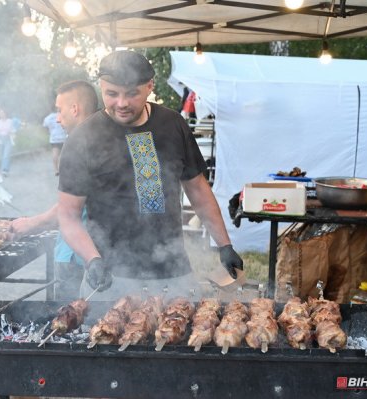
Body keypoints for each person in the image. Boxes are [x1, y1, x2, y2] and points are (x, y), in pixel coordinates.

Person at [57, 50, 243, 301]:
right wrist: (93, 260)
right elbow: (68, 216)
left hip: (173, 272)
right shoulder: (82, 138)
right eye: (112, 94)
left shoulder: (173, 125)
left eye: (132, 93)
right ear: (101, 86)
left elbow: (197, 189)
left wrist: (225, 245)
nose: (121, 103)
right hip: (110, 278)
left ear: (149, 86)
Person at [10, 81, 99, 300]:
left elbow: (70, 209)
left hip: (78, 257)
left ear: (75, 109)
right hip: (100, 256)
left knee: (73, 324)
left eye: (60, 110)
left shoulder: (78, 145)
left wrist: (32, 223)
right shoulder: (105, 140)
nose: (57, 118)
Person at [43, 105, 67, 176]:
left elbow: (45, 130)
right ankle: (65, 169)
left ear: (50, 110)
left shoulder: (47, 119)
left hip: (54, 139)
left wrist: (51, 132)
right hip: (63, 137)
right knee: (64, 154)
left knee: (55, 154)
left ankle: (56, 170)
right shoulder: (62, 116)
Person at [0, 108, 15, 176]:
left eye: (3, 112)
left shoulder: (10, 121)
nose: (2, 114)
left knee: (6, 155)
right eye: (0, 113)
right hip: (0, 139)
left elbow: (14, 130)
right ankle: (4, 169)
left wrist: (10, 132)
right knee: (1, 156)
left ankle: (5, 170)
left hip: (8, 139)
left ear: (5, 113)